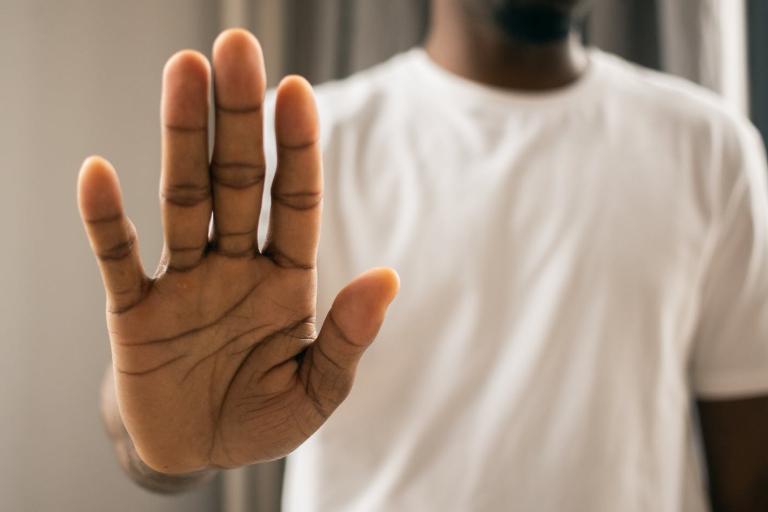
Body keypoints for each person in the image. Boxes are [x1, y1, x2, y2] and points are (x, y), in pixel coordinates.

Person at [77, 0, 768, 510]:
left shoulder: (710, 149)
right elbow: (154, 421)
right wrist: (164, 444)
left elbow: (749, 476)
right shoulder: (299, 151)